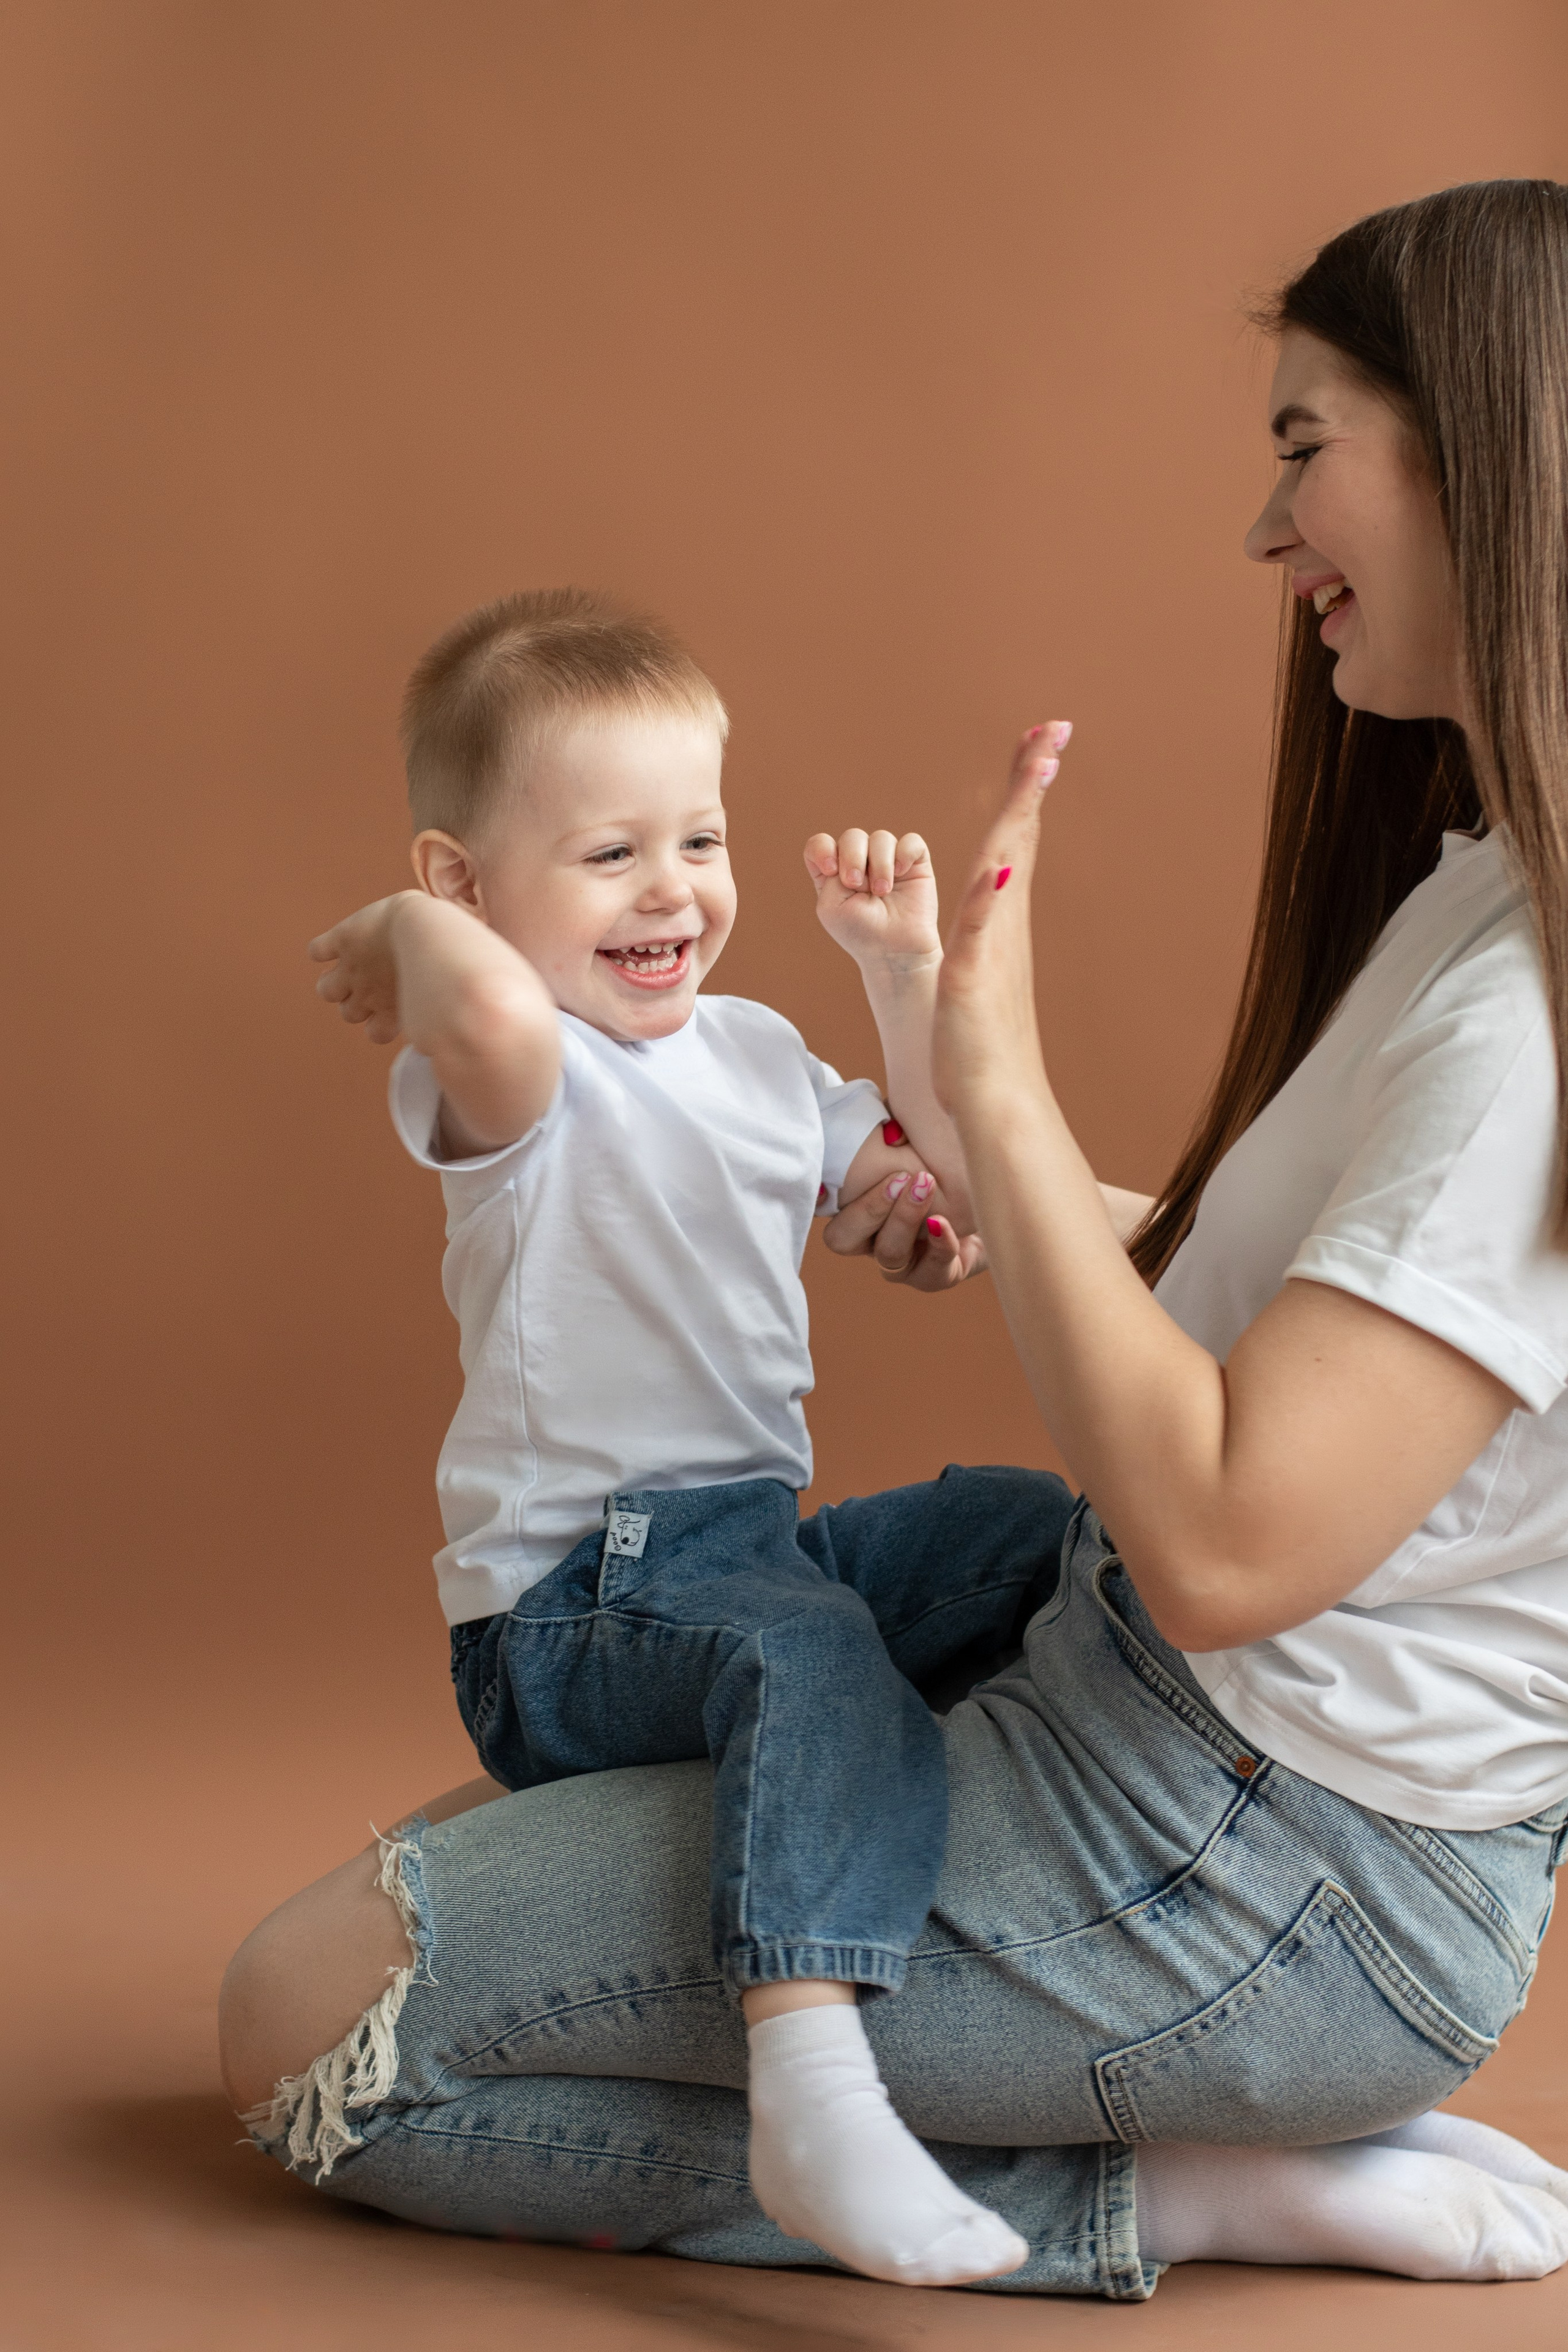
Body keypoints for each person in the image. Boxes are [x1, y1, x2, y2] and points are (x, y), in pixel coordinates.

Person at [221, 181, 1568, 2297]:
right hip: (1177, 1738)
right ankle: (970, 2025)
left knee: (308, 2019)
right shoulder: (1477, 889)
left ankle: (1154, 2186)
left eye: (1306, 445)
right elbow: (1260, 1313)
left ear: (1492, 451)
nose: (1263, 526)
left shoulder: (1523, 1011)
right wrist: (958, 1129)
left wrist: (989, 1089)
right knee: (924, 1566)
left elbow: (1225, 1542)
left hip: (1251, 1856)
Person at [283, 586, 1071, 2286]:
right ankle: (810, 2079)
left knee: (1023, 1529)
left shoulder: (758, 1052)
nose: (674, 892)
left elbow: (944, 1161)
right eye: (609, 856)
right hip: (569, 1607)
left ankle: (1014, 1877)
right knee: (805, 1650)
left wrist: (899, 973)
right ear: (467, 887)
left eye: (700, 839)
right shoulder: (520, 1074)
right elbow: (481, 1018)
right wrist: (400, 943)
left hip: (741, 1544)